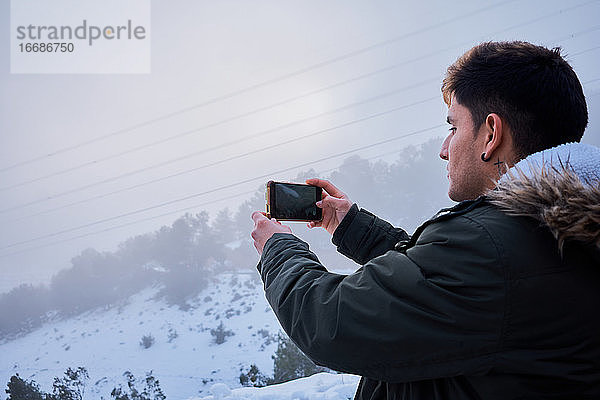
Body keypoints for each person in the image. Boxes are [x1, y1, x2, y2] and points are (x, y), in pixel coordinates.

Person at [250, 41, 600, 399]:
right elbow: (443, 288)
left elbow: (327, 322)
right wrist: (350, 226)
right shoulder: (559, 230)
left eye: (453, 127)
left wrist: (277, 248)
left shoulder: (492, 246)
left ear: (491, 134)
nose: (444, 149)